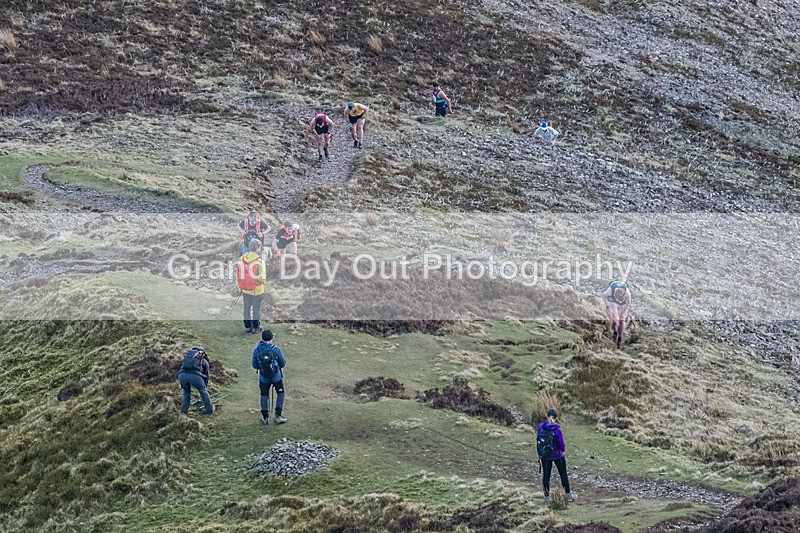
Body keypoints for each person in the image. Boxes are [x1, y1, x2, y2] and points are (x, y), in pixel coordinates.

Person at [536, 409, 577, 503]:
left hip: (545, 455)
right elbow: (561, 443)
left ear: (547, 416)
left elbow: (538, 438)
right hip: (557, 455)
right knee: (563, 474)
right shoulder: (557, 429)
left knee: (546, 476)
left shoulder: (541, 427)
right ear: (556, 418)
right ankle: (568, 494)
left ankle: (546, 497)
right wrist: (563, 450)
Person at [251, 329, 287, 425]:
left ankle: (265, 416)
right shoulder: (276, 349)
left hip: (263, 377)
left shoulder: (256, 350)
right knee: (280, 393)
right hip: (276, 376)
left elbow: (254, 365)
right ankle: (278, 415)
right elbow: (283, 363)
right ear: (271, 338)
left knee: (264, 395)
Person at [236, 238, 266, 334]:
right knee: (256, 309)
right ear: (257, 248)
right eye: (260, 247)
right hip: (256, 290)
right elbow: (262, 278)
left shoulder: (242, 259)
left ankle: (248, 326)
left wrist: (240, 285)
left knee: (246, 308)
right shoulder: (259, 261)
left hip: (245, 289)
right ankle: (256, 327)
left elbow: (238, 273)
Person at [178, 347, 214, 415]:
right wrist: (204, 386)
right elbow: (206, 375)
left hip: (181, 375)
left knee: (186, 392)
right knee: (203, 391)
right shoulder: (203, 360)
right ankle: (209, 410)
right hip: (195, 376)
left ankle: (184, 411)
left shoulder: (188, 358)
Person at [601, 280, 631, 348]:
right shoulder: (610, 291)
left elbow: (628, 303)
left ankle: (620, 337)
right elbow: (603, 296)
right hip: (613, 299)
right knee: (614, 319)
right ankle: (615, 332)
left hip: (624, 301)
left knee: (621, 320)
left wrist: (623, 312)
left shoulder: (628, 294)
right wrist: (608, 308)